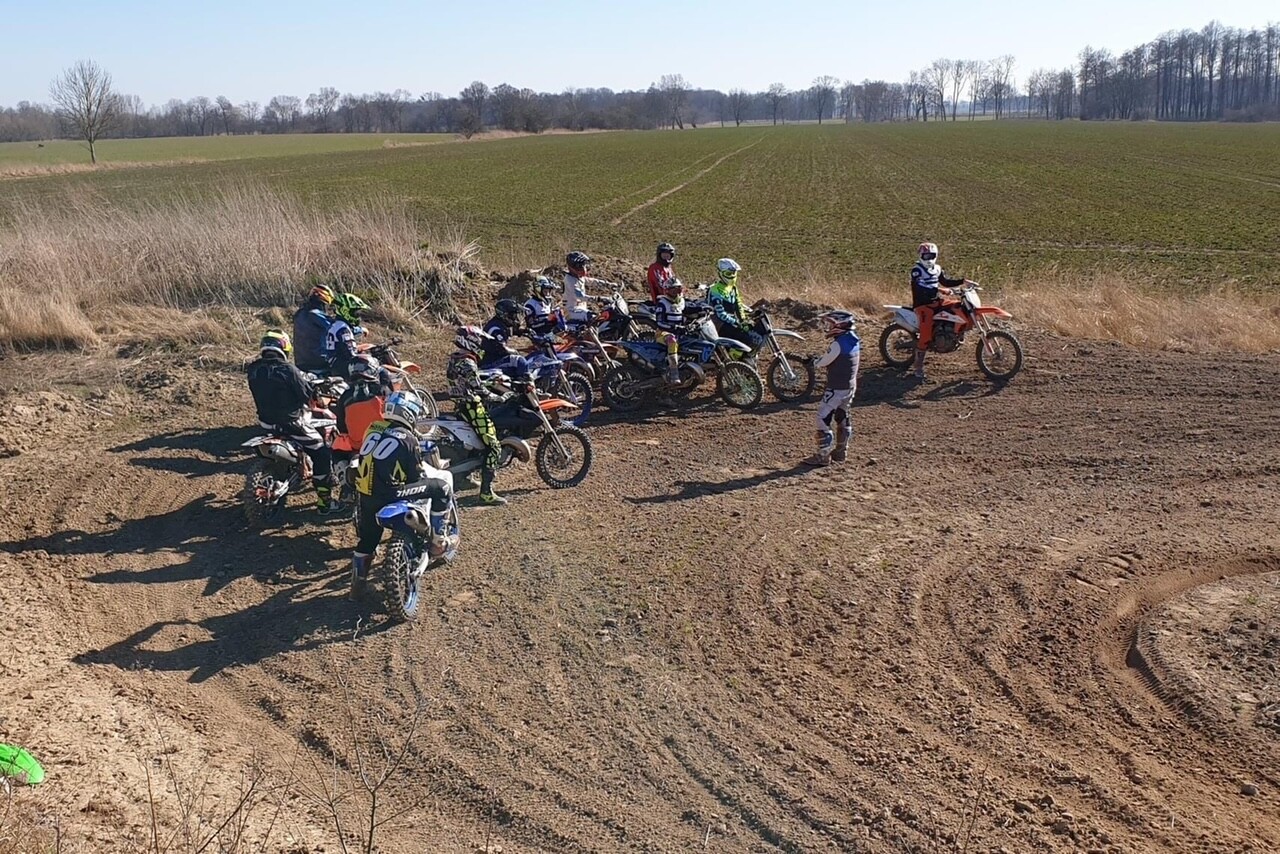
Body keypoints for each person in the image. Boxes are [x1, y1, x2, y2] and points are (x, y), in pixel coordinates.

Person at [350, 390, 456, 600]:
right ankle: (437, 542)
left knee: (368, 540)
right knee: (440, 487)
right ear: (408, 413)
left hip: (365, 495)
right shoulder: (408, 438)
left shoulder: (372, 428)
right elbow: (415, 476)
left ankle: (356, 587)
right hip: (392, 493)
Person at [246, 329, 338, 514]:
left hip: (266, 422)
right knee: (321, 452)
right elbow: (308, 398)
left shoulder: (253, 369)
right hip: (292, 422)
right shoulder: (288, 369)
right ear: (284, 347)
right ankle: (325, 502)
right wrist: (318, 399)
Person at [446, 326, 513, 506]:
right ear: (472, 341)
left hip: (460, 406)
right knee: (494, 447)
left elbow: (468, 382)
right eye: (479, 341)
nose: (481, 344)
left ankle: (463, 478)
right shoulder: (467, 362)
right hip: (472, 408)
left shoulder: (455, 358)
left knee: (473, 443)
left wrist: (488, 382)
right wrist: (500, 398)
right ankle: (486, 493)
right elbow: (479, 390)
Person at [804, 311, 860, 467]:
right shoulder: (854, 339)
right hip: (850, 386)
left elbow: (824, 362)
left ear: (839, 325)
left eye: (830, 324)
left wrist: (814, 362)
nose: (828, 327)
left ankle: (823, 456)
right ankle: (841, 452)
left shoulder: (837, 344)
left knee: (822, 418)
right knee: (843, 415)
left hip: (836, 388)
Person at [910, 242, 966, 382]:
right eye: (926, 256)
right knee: (925, 335)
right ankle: (918, 368)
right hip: (923, 305)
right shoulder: (917, 270)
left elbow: (945, 282)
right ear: (920, 256)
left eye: (931, 255)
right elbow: (920, 286)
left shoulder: (937, 269)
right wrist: (938, 290)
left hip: (936, 301)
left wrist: (963, 281)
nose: (929, 258)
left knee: (957, 306)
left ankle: (952, 333)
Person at [332, 354, 396, 471]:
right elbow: (394, 415)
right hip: (383, 441)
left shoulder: (345, 396)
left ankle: (341, 473)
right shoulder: (383, 390)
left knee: (337, 448)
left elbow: (341, 426)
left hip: (357, 447)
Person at [708, 258, 764, 354]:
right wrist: (737, 323)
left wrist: (744, 320)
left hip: (730, 322)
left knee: (753, 333)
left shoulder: (733, 288)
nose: (732, 276)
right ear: (721, 273)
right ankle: (732, 361)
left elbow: (739, 306)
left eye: (734, 273)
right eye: (728, 274)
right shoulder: (715, 290)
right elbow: (720, 313)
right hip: (718, 325)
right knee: (746, 339)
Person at [325, 292, 371, 379]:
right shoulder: (343, 329)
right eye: (355, 313)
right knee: (379, 370)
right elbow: (351, 354)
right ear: (345, 311)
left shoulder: (336, 324)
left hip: (334, 363)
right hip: (342, 367)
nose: (358, 316)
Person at [292, 284, 335, 373]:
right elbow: (336, 328)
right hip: (320, 361)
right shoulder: (316, 315)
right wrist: (359, 329)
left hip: (300, 362)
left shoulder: (299, 314)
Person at [653, 277, 688, 385]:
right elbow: (659, 322)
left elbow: (690, 309)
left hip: (678, 332)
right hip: (663, 333)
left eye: (678, 288)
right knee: (671, 340)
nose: (675, 291)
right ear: (667, 290)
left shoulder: (682, 301)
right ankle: (674, 373)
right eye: (673, 289)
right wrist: (673, 327)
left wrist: (703, 308)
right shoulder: (662, 303)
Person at [563, 251, 611, 326]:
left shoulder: (578, 277)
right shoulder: (570, 280)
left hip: (580, 308)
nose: (583, 268)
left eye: (584, 265)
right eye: (580, 266)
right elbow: (580, 296)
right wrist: (599, 299)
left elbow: (591, 281)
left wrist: (608, 284)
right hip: (571, 311)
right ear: (572, 267)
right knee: (593, 317)